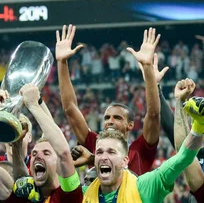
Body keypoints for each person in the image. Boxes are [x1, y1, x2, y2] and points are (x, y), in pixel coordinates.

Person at [56, 25, 162, 175]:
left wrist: (147, 68)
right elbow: (70, 108)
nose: (110, 121)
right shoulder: (95, 143)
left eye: (117, 117)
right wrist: (61, 63)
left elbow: (153, 114)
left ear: (130, 125)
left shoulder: (140, 149)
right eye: (107, 117)